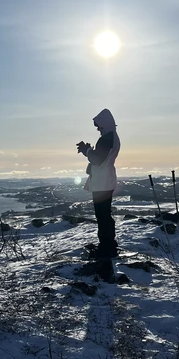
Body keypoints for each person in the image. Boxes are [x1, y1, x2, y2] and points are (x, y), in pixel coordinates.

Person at [77, 109, 121, 270]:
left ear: (104, 124)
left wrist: (87, 151)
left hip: (102, 183)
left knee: (102, 216)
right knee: (105, 215)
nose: (98, 129)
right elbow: (101, 158)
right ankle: (109, 245)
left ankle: (105, 248)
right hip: (106, 181)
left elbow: (98, 159)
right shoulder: (112, 137)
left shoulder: (107, 138)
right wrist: (90, 151)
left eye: (98, 126)